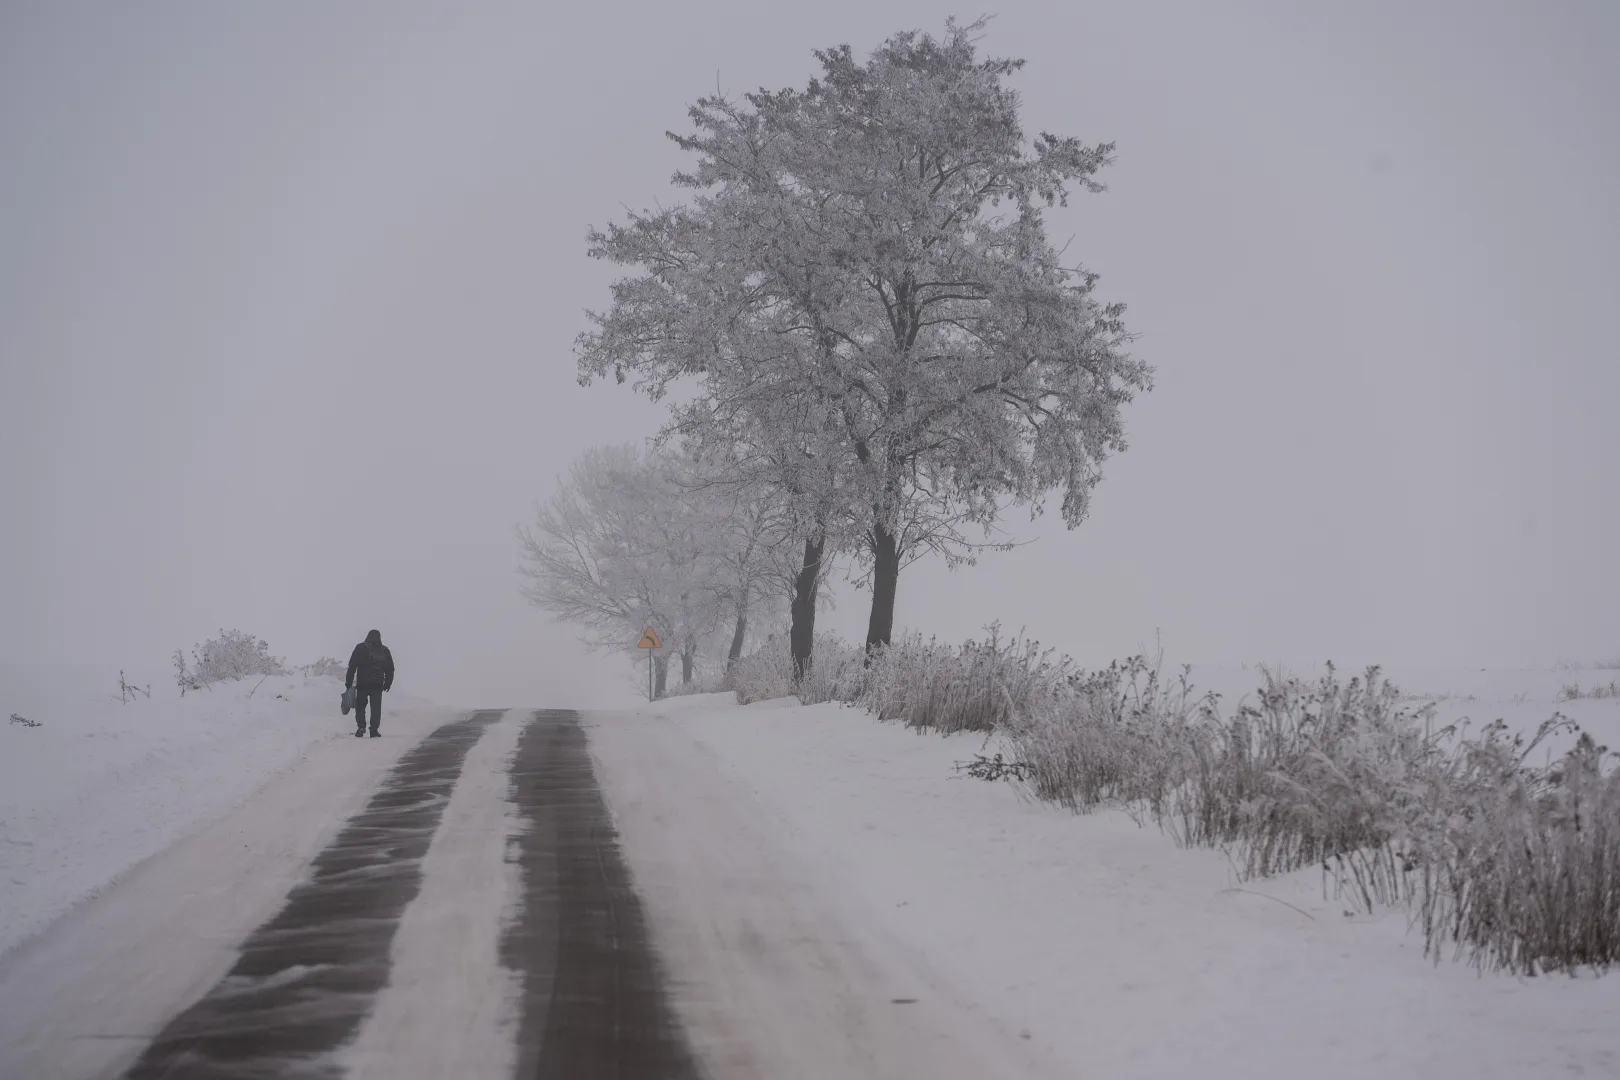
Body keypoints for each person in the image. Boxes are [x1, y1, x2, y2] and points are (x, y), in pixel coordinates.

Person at [346, 629, 395, 738]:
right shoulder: (384, 650)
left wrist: (349, 681)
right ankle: (374, 730)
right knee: (376, 707)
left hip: (363, 684)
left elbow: (352, 665)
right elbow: (390, 669)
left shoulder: (360, 648)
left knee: (360, 706)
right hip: (377, 685)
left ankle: (361, 726)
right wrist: (387, 683)